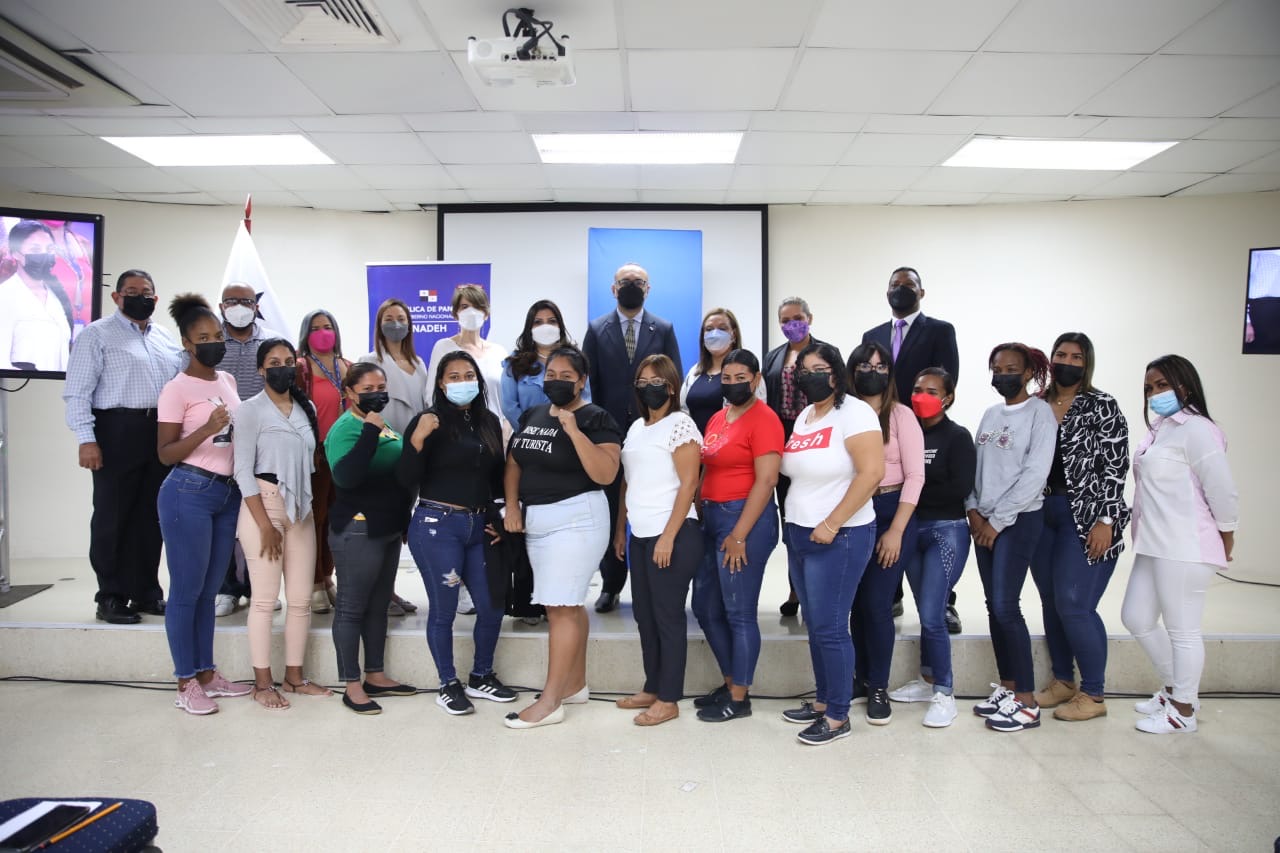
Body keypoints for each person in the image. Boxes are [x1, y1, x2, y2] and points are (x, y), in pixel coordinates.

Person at [503, 346, 621, 728]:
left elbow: (606, 474)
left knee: (560, 607)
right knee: (567, 605)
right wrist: (514, 506)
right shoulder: (533, 413)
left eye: (565, 376)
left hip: (578, 519)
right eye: (550, 374)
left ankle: (550, 701)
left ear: (582, 381)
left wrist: (573, 431)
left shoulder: (596, 417)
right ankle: (574, 685)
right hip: (538, 521)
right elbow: (515, 461)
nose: (555, 381)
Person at [1122, 355, 1238, 734]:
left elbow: (1220, 487)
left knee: (1183, 629)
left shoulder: (1198, 430)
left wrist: (1226, 533)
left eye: (1161, 385)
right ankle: (1174, 690)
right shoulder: (1159, 429)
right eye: (1149, 388)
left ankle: (1183, 711)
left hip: (1186, 544)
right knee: (1136, 617)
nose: (1155, 394)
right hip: (1154, 543)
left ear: (1184, 386)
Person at [398, 350, 516, 717]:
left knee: (492, 605)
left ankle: (481, 675)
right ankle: (447, 683)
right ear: (440, 383)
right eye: (453, 376)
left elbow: (496, 478)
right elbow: (405, 479)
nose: (462, 382)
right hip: (437, 525)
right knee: (444, 610)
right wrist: (416, 440)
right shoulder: (428, 420)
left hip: (479, 526)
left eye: (469, 375)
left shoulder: (490, 423)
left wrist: (497, 520)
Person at [64, 269, 185, 624]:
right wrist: (87, 439)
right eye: (131, 291)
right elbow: (77, 392)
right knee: (113, 517)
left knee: (151, 517)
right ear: (117, 297)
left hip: (158, 433)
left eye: (146, 291)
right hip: (115, 430)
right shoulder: (96, 335)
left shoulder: (164, 338)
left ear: (156, 298)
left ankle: (146, 592)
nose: (139, 296)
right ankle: (111, 596)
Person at [778, 342, 884, 745]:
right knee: (815, 625)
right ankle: (823, 701)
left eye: (819, 368)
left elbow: (871, 473)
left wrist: (832, 522)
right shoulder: (806, 415)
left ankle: (838, 716)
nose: (810, 376)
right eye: (803, 371)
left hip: (840, 534)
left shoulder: (855, 413)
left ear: (836, 373)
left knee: (831, 627)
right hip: (801, 531)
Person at [155, 294, 250, 715]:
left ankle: (208, 675)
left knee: (210, 590)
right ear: (187, 344)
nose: (213, 342)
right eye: (203, 337)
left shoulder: (226, 381)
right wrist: (207, 430)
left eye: (217, 335)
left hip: (225, 494)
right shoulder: (176, 388)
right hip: (187, 492)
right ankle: (185, 681)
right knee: (186, 591)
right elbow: (166, 453)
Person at [1029, 333, 1131, 722]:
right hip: (1041, 513)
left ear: (1086, 364)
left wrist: (1105, 520)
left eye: (1076, 356)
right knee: (1051, 602)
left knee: (1075, 604)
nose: (1067, 361)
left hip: (1086, 515)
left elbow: (1115, 467)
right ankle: (1062, 681)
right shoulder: (1037, 406)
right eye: (1060, 354)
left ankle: (1094, 692)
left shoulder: (1101, 405)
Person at [862, 267, 962, 631]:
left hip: (923, 427)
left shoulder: (939, 330)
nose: (900, 290)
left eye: (908, 285)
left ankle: (942, 600)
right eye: (894, 285)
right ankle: (893, 595)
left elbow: (946, 377)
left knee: (925, 513)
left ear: (922, 292)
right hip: (881, 429)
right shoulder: (873, 335)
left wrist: (920, 413)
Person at [233, 338, 331, 710]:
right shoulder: (250, 411)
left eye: (289, 361)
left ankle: (294, 676)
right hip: (265, 509)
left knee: (302, 601)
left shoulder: (304, 409)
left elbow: (311, 462)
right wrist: (266, 526)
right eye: (273, 362)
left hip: (301, 513)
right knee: (263, 600)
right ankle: (262, 683)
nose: (282, 367)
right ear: (260, 369)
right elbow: (242, 471)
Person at [581, 263, 682, 613]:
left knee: (652, 500)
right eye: (625, 282)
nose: (631, 287)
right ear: (613, 288)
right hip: (608, 433)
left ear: (648, 288)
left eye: (638, 282)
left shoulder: (664, 328)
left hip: (652, 429)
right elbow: (586, 383)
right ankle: (610, 584)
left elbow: (674, 378)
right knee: (611, 507)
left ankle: (651, 579)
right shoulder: (596, 329)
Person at [967, 343, 1055, 733]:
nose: (1002, 374)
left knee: (1006, 606)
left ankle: (1027, 702)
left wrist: (997, 522)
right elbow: (977, 468)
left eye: (1011, 368)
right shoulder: (990, 414)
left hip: (1018, 522)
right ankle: (1008, 688)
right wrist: (973, 509)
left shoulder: (1041, 414)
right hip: (984, 522)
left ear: (1029, 372)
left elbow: (1035, 476)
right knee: (993, 606)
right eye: (996, 368)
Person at [691, 349, 782, 723]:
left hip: (744, 521)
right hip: (711, 518)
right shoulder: (717, 416)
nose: (732, 384)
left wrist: (740, 534)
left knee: (738, 612)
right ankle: (731, 682)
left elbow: (768, 479)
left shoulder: (765, 419)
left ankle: (740, 698)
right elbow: (704, 468)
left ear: (756, 379)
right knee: (705, 607)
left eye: (740, 377)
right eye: (726, 379)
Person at [614, 354, 703, 726]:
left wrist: (668, 536)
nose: (650, 387)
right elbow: (627, 482)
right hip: (641, 534)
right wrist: (622, 529)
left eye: (658, 381)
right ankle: (652, 686)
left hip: (674, 535)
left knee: (667, 617)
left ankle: (669, 698)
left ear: (671, 386)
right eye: (643, 380)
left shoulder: (680, 424)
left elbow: (689, 484)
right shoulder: (636, 428)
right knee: (644, 616)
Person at [325, 362, 418, 715]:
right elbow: (346, 477)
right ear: (349, 393)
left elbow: (395, 475)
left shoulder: (385, 424)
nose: (377, 392)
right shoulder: (347, 428)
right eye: (367, 388)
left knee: (379, 606)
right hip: (358, 529)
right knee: (352, 608)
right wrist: (367, 431)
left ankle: (375, 674)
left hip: (387, 528)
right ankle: (351, 684)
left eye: (382, 385)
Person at [889, 368, 975, 727]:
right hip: (911, 530)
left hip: (946, 530)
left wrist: (913, 489)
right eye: (917, 389)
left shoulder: (957, 437)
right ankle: (927, 681)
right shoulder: (904, 433)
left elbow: (959, 487)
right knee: (925, 609)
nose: (922, 395)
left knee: (932, 611)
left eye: (932, 390)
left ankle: (945, 691)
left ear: (948, 397)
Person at [847, 342, 924, 726]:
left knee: (877, 603)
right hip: (852, 511)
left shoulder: (901, 416)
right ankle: (859, 679)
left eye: (880, 365)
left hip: (892, 511)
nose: (871, 371)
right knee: (855, 603)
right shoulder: (843, 413)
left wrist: (895, 530)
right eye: (864, 365)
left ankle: (878, 685)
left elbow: (915, 476)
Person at [213, 282, 282, 618]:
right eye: (232, 301)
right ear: (221, 305)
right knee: (226, 520)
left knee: (261, 518)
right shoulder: (210, 342)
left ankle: (259, 586)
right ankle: (226, 588)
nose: (239, 306)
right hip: (217, 444)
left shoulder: (269, 341)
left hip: (262, 445)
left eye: (246, 301)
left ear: (256, 305)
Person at [762, 296, 832, 617]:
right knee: (790, 519)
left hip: (816, 441)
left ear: (810, 317)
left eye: (798, 318)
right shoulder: (774, 357)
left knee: (817, 515)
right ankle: (795, 588)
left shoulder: (825, 354)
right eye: (786, 320)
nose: (792, 324)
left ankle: (820, 588)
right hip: (783, 444)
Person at [295, 309, 352, 616]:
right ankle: (314, 582)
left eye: (327, 326)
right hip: (314, 454)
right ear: (306, 333)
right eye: (315, 327)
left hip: (343, 454)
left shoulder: (348, 366)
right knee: (313, 520)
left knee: (336, 519)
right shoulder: (301, 367)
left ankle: (328, 576)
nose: (322, 332)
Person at [426, 284, 509, 433]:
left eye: (477, 307)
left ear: (486, 313)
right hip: (453, 432)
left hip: (493, 433)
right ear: (455, 313)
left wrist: (505, 433)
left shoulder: (499, 352)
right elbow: (431, 395)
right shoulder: (444, 347)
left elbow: (506, 400)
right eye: (465, 306)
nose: (471, 312)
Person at [679, 307, 765, 435]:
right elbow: (682, 411)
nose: (715, 334)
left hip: (732, 446)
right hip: (695, 448)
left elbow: (759, 413)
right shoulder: (694, 371)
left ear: (733, 335)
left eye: (722, 328)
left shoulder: (748, 371)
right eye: (709, 329)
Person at [0, 220, 73, 372]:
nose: (44, 254)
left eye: (49, 248)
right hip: (28, 391)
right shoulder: (5, 296)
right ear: (15, 253)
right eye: (35, 249)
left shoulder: (56, 297)